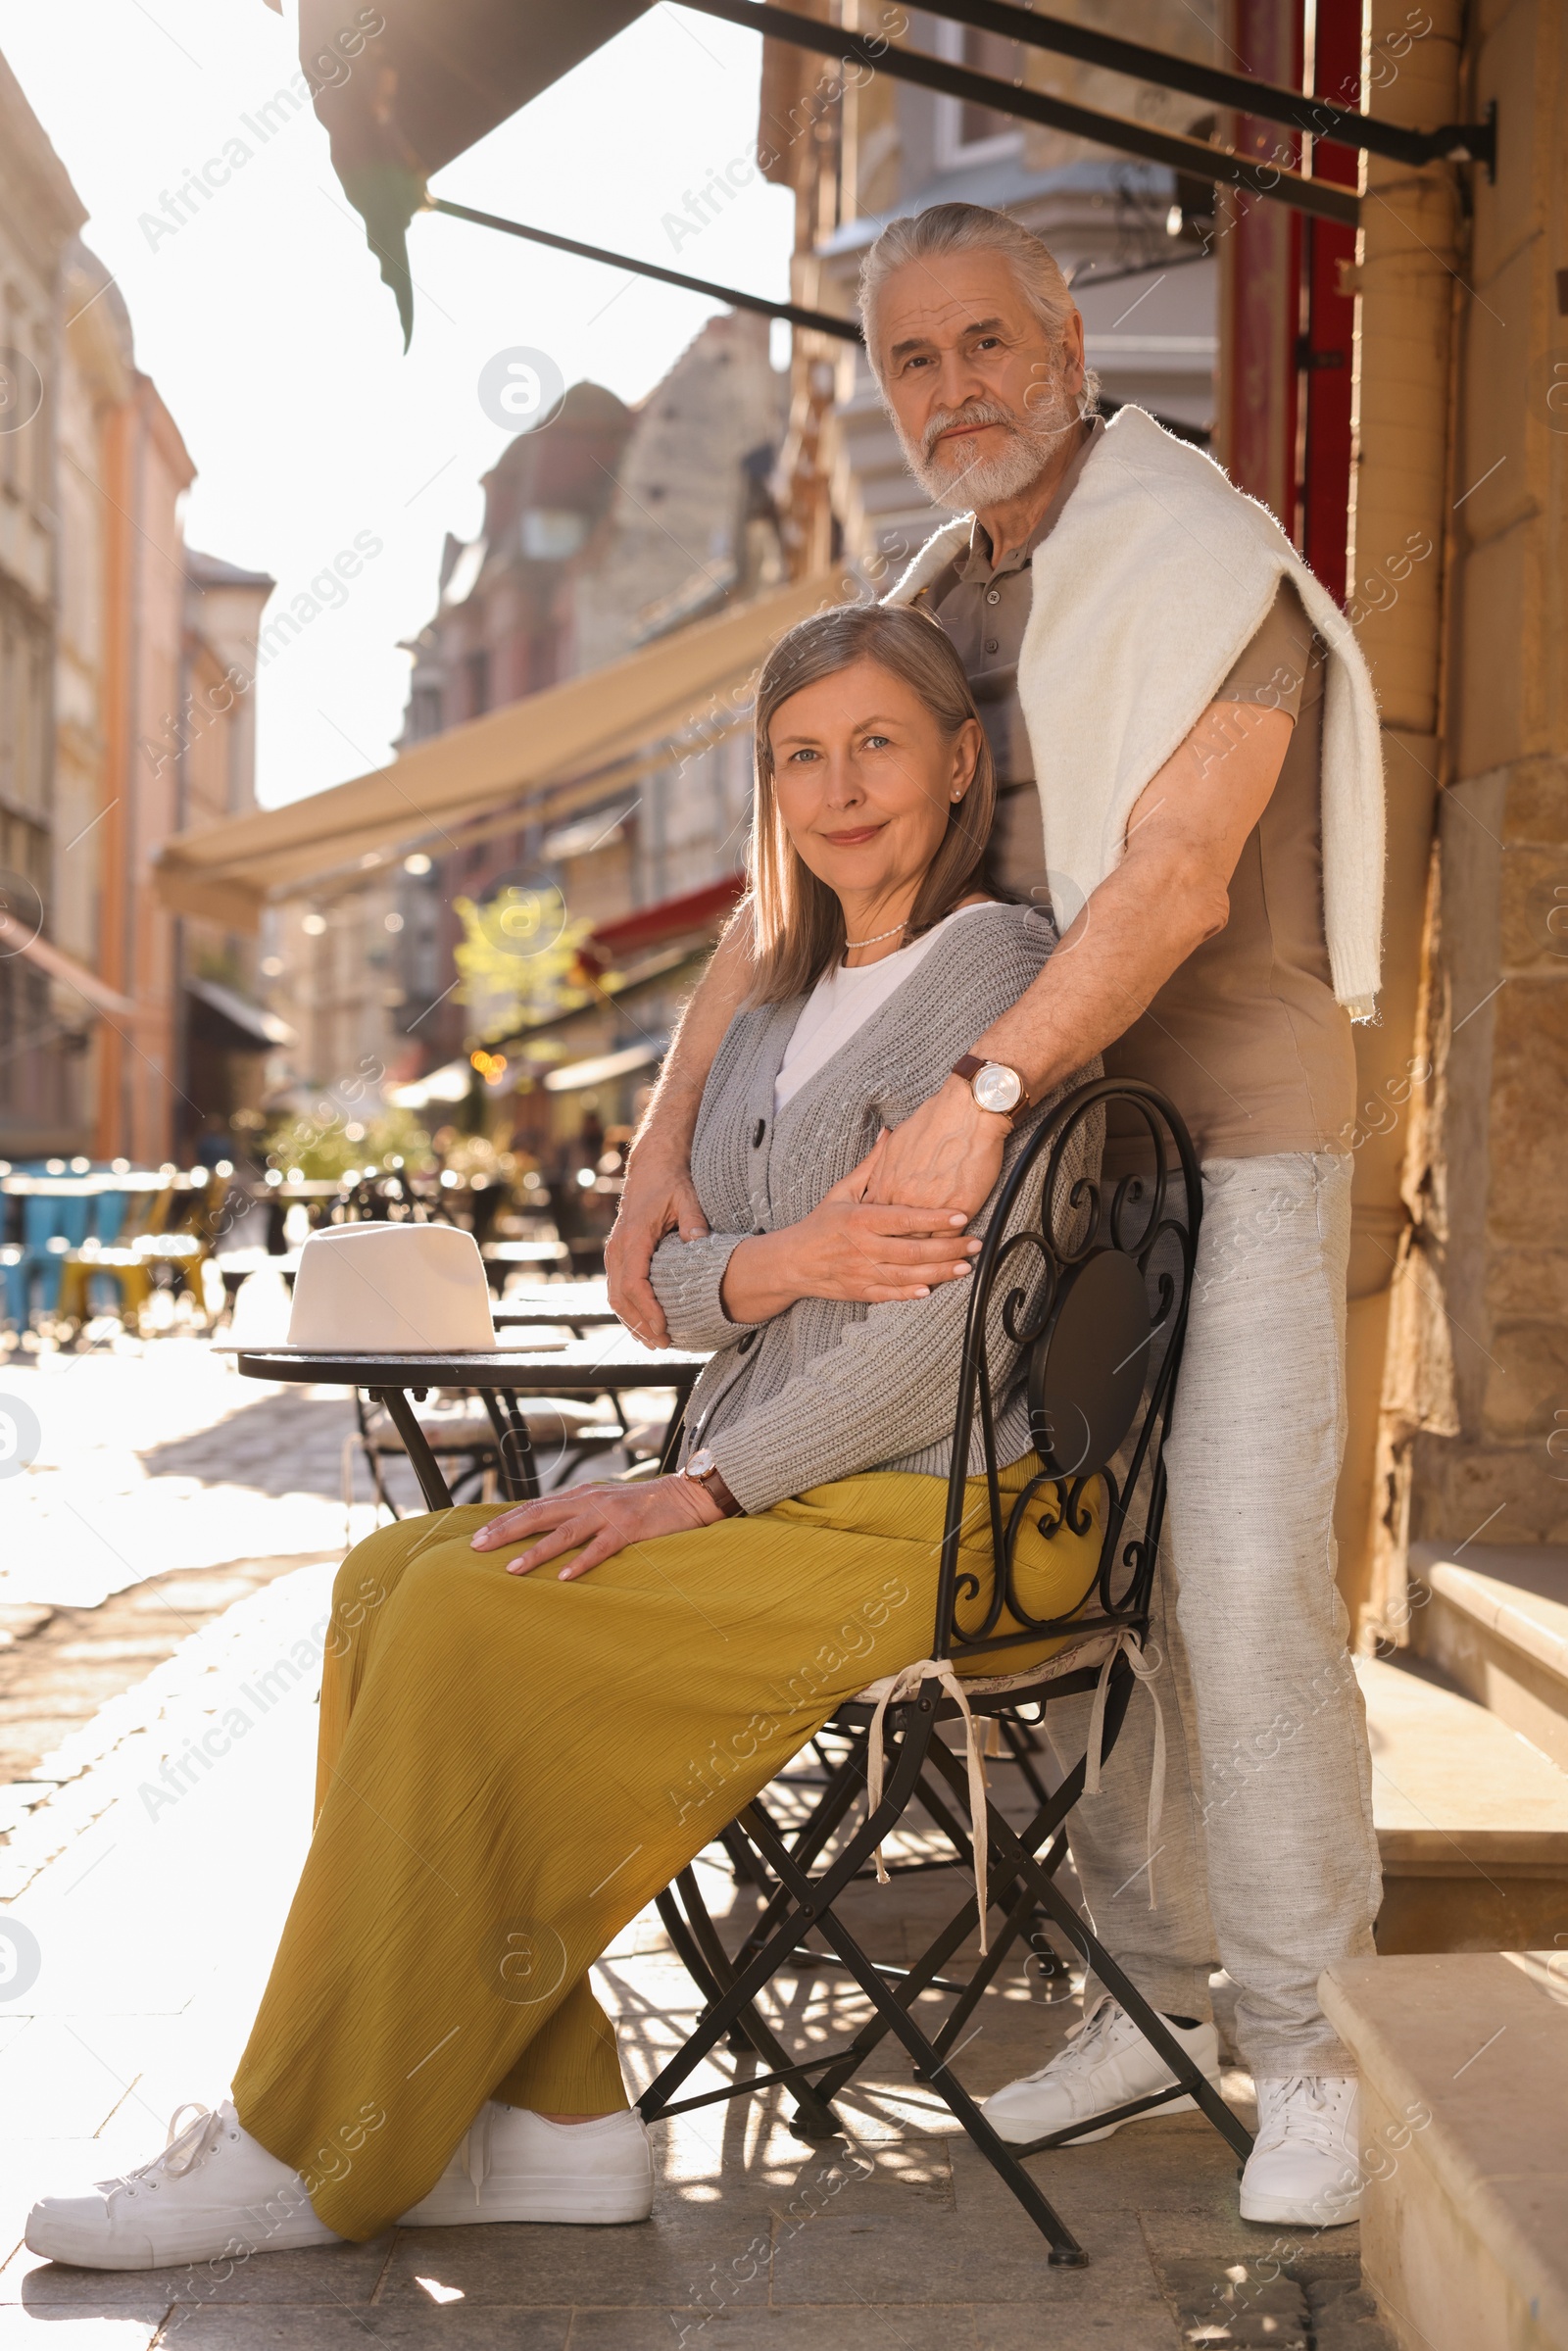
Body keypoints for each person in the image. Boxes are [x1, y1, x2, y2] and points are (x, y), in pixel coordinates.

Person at [26, 605, 1103, 2272]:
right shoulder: (767, 1008)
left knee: (467, 1605)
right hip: (790, 1482)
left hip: (948, 1500)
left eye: (879, 744)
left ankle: (314, 2138)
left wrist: (704, 1481)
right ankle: (557, 2124)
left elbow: (954, 1335)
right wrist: (774, 1263)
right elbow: (664, 1298)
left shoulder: (1000, 978)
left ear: (962, 760)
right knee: (390, 1574)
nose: (840, 790)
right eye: (800, 757)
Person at [607, 203, 1386, 2230]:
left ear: (1060, 337)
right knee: (1097, 1592)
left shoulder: (1206, 561)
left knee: (1228, 1580)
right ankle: (1155, 2000)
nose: (950, 390)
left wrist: (974, 1096)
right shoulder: (931, 595)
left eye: (981, 343)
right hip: (1034, 1171)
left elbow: (1172, 877)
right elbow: (798, 866)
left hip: (1219, 1139)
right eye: (910, 362)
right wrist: (660, 1133)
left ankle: (1305, 2051)